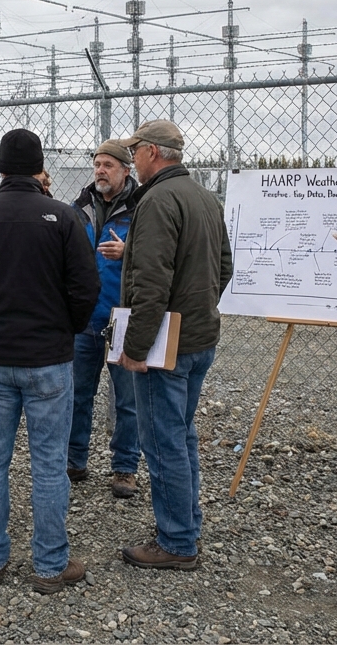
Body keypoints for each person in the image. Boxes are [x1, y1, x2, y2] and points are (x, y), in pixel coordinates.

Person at [0, 129, 100, 593]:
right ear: (39, 168)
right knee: (49, 462)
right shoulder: (63, 217)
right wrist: (64, 328)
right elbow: (85, 286)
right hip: (48, 359)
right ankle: (50, 566)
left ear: (0, 167)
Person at [116, 119, 233, 571]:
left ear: (153, 153)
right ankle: (186, 523)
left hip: (167, 345)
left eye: (136, 152)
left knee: (163, 441)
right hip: (199, 336)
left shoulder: (157, 200)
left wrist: (136, 346)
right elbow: (224, 266)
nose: (133, 159)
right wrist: (199, 307)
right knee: (181, 435)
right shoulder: (204, 196)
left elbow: (150, 282)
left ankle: (178, 542)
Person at [68, 140, 142, 496]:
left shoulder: (143, 207)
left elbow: (160, 254)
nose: (100, 170)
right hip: (85, 317)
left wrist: (129, 253)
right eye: (97, 164)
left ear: (126, 171)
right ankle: (73, 460)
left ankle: (125, 468)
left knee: (127, 398)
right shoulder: (79, 207)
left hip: (124, 318)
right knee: (77, 393)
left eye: (109, 165)